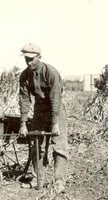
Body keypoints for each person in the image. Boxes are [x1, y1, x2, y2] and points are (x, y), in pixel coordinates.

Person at [18, 43, 68, 193]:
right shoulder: (24, 75)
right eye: (26, 59)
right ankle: (36, 179)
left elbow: (55, 99)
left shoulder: (51, 73)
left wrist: (54, 123)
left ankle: (59, 181)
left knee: (59, 147)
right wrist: (23, 123)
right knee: (37, 146)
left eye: (32, 59)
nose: (28, 62)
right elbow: (24, 100)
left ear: (39, 57)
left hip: (56, 110)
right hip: (40, 111)